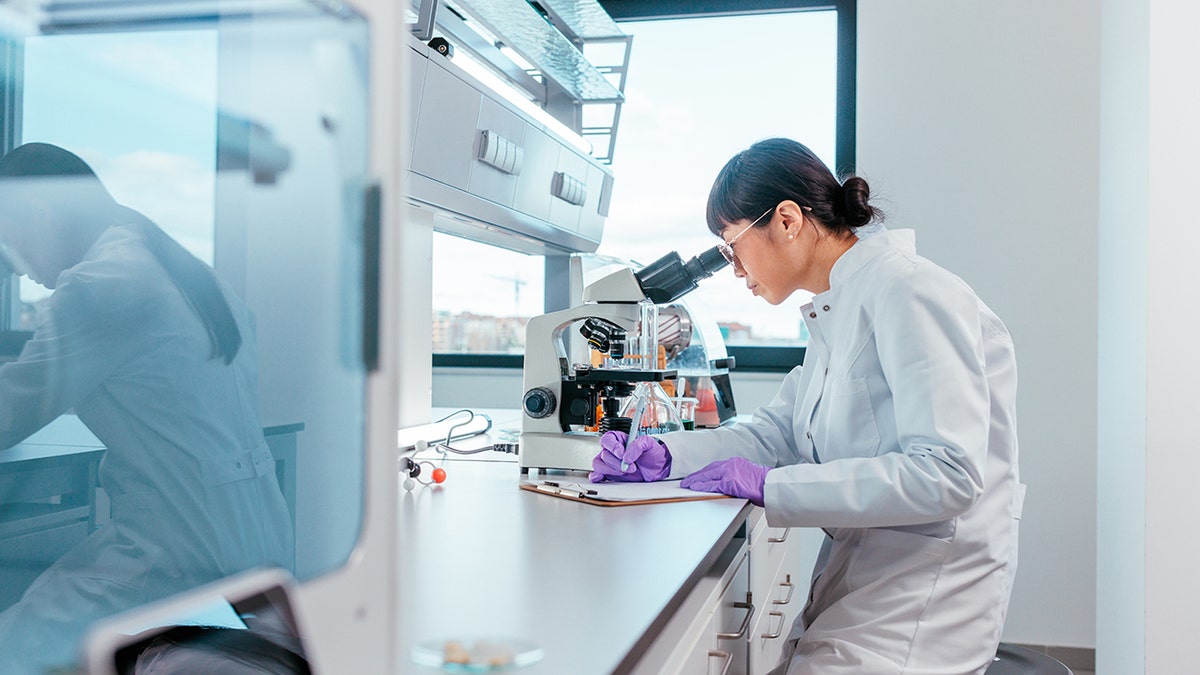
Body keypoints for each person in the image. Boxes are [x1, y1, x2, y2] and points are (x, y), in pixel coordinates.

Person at [591, 138, 1024, 674]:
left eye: (732, 247)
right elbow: (774, 435)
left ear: (789, 220)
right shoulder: (837, 311)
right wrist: (665, 453)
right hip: (863, 580)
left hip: (923, 602)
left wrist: (772, 487)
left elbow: (948, 474)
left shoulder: (911, 292)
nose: (735, 270)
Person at [0, 143, 293, 674]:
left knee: (14, 649)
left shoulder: (99, 284)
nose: (16, 269)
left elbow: (9, 414)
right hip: (259, 543)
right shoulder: (189, 273)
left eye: (7, 241)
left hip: (178, 556)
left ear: (39, 217)